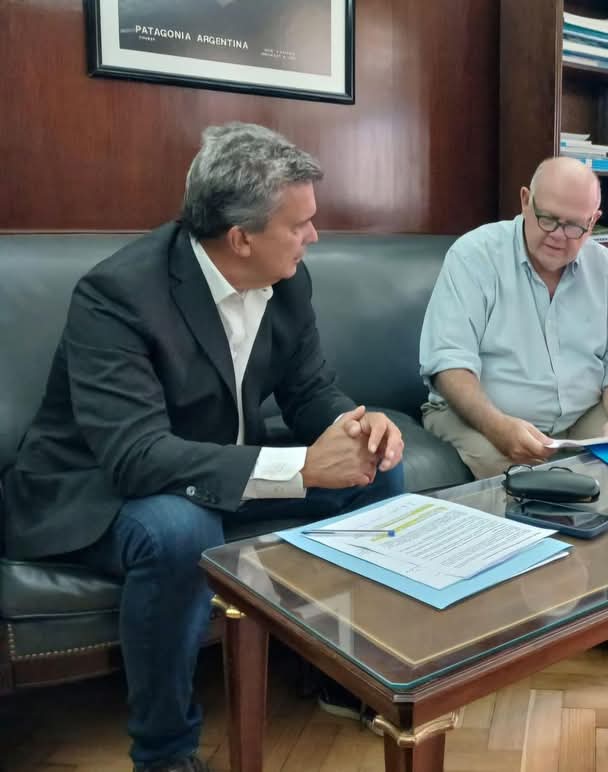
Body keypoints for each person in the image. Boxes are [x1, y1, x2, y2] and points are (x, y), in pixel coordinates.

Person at [1, 123, 405, 772]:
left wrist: (358, 427)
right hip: (95, 487)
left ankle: (341, 672)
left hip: (220, 469)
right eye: (300, 223)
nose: (314, 236)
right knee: (179, 529)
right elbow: (137, 456)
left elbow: (309, 392)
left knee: (379, 473)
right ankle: (165, 752)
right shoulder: (117, 296)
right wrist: (303, 466)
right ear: (240, 237)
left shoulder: (288, 279)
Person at [418, 155, 608, 647]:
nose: (558, 236)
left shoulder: (607, 269)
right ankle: (544, 604)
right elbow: (449, 366)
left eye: (575, 226)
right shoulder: (475, 255)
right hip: (480, 413)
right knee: (515, 467)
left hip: (581, 413)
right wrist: (499, 425)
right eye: (547, 218)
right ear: (525, 201)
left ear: (594, 221)